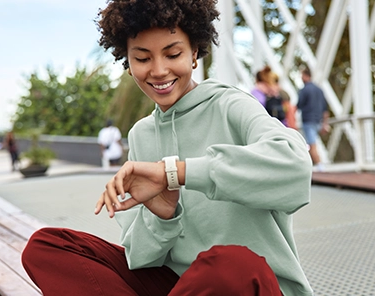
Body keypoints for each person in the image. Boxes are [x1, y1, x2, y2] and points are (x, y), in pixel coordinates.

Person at [21, 1, 314, 295]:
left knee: (230, 263)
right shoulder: (141, 135)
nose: (159, 71)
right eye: (142, 58)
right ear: (128, 61)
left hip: (247, 283)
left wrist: (176, 173)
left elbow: (295, 165)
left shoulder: (231, 105)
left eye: (173, 54)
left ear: (195, 52)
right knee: (46, 246)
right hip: (179, 286)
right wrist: (163, 217)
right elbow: (139, 257)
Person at [297, 67, 330, 170]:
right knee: (313, 143)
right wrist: (325, 124)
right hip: (318, 121)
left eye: (301, 75)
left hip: (308, 120)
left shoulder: (304, 90)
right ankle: (317, 164)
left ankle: (320, 166)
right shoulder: (319, 90)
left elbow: (298, 106)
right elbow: (325, 109)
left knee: (311, 144)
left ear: (305, 76)